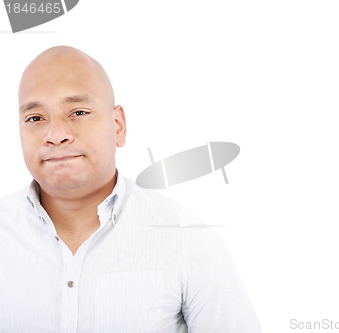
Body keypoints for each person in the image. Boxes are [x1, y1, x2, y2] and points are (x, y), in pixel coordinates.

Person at [0, 46, 261, 332]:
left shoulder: (187, 241)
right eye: (35, 118)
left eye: (77, 112)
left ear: (118, 126)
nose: (56, 135)